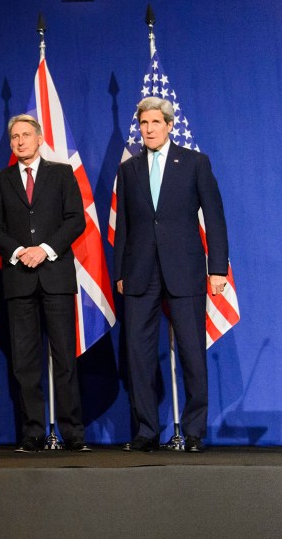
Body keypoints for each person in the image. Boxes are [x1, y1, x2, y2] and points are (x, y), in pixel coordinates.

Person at [115, 96, 229, 453]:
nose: (148, 129)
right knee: (139, 354)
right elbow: (124, 227)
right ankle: (147, 430)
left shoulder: (195, 162)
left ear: (169, 125)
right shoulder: (129, 169)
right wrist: (120, 272)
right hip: (139, 272)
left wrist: (217, 269)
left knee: (192, 351)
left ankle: (193, 431)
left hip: (185, 269)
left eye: (155, 123)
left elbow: (215, 218)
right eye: (143, 123)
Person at [0, 115, 89, 453]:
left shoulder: (62, 174)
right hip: (19, 280)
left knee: (65, 358)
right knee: (25, 362)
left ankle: (72, 432)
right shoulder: (0, 181)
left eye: (26, 135)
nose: (20, 141)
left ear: (40, 139)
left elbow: (75, 219)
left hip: (56, 277)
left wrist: (44, 249)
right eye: (14, 136)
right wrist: (19, 252)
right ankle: (32, 432)